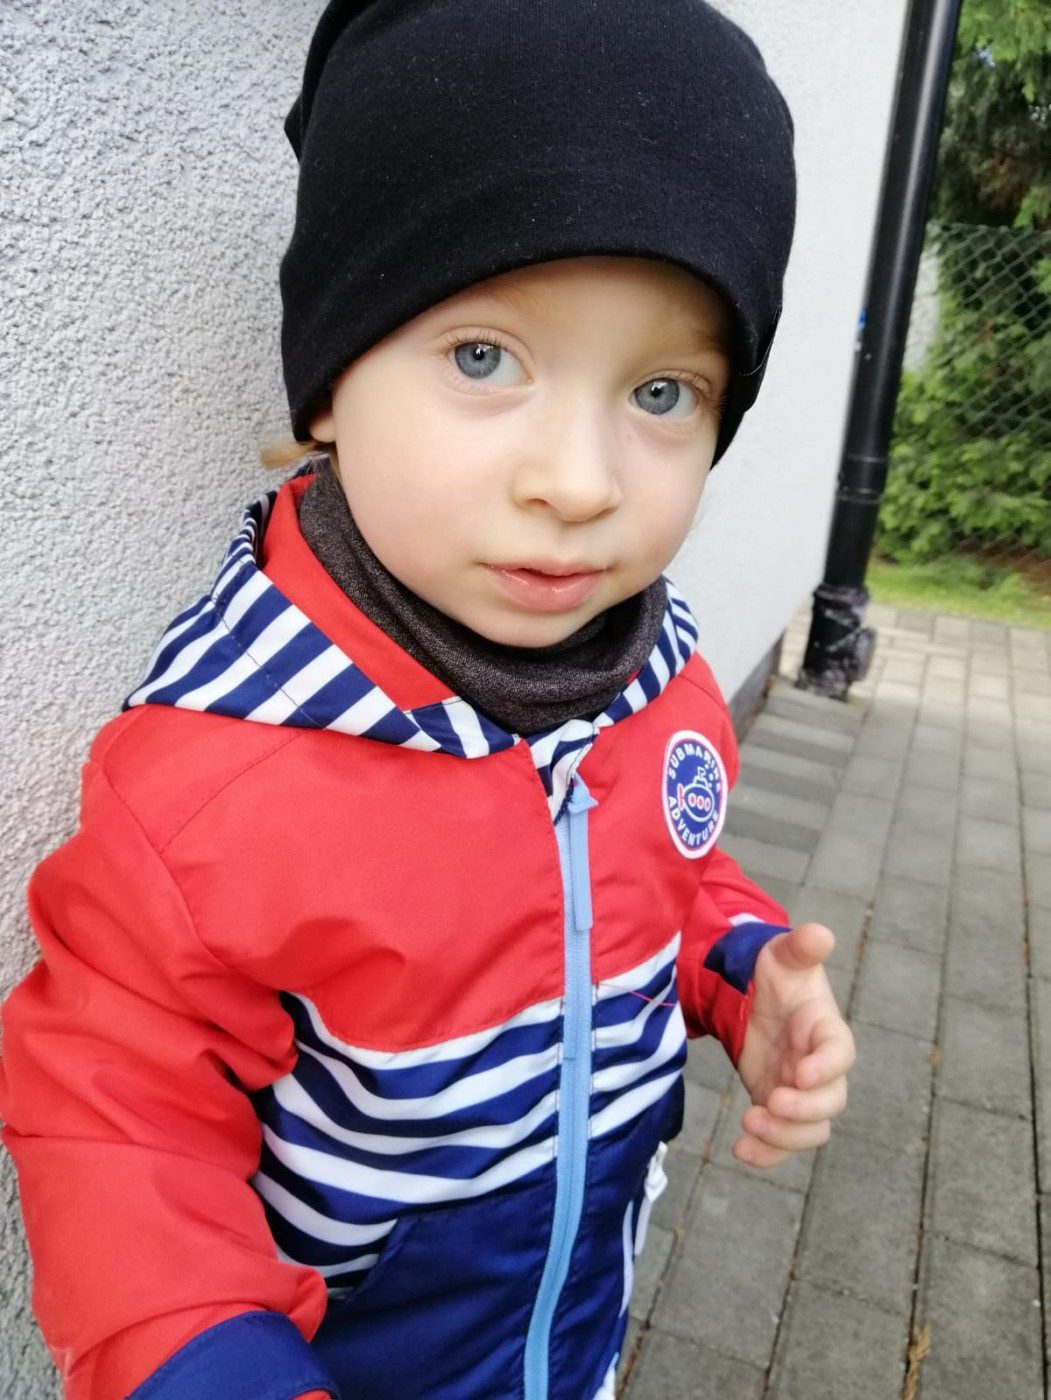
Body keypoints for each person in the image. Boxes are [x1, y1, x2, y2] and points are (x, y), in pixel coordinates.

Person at [0, 2, 856, 1397]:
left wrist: (737, 967)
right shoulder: (219, 778)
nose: (578, 482)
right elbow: (117, 1130)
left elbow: (657, 871)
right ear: (332, 383)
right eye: (483, 358)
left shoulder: (652, 668)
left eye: (661, 392)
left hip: (569, 1331)